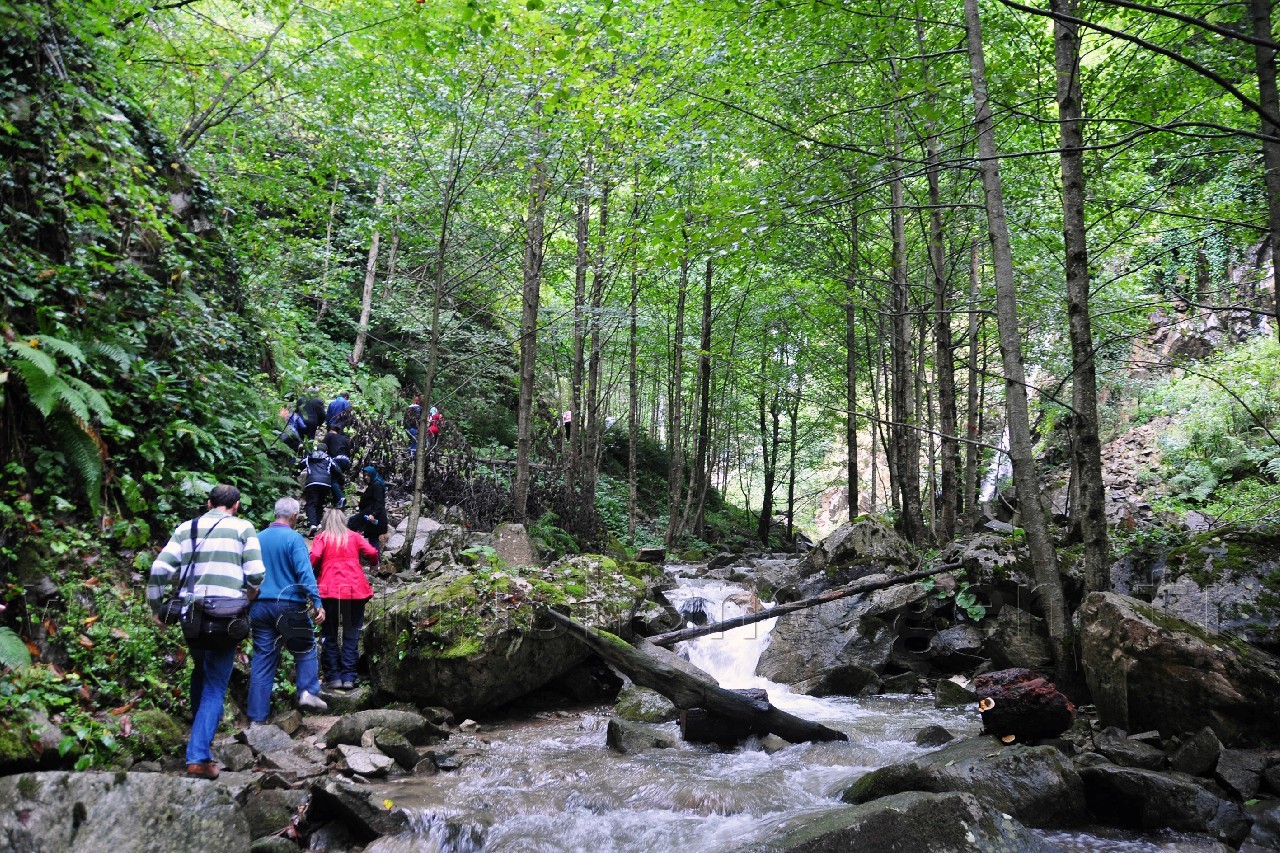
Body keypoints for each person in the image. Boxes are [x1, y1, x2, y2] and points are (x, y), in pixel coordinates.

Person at [148, 484, 264, 780]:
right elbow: (256, 573)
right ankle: (198, 757)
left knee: (201, 669)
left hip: (192, 616)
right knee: (214, 684)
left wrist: (156, 607)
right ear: (236, 505)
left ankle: (200, 738)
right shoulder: (243, 528)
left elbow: (160, 569)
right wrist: (250, 593)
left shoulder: (187, 528)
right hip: (226, 616)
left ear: (209, 503)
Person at [248, 497, 328, 723]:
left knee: (263, 659)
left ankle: (257, 719)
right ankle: (308, 692)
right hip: (289, 605)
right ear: (294, 516)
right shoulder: (294, 539)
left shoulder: (257, 538)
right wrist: (317, 601)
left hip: (260, 606)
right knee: (305, 648)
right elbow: (304, 573)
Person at [311, 508, 377, 690]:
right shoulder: (354, 536)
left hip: (329, 589)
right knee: (351, 634)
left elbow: (315, 556)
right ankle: (349, 677)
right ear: (343, 520)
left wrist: (310, 572)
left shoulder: (322, 537)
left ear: (325, 521)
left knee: (330, 633)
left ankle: (333, 677)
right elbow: (372, 551)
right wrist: (374, 564)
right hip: (354, 589)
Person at [348, 465, 387, 559]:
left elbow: (379, 501)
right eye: (365, 475)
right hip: (371, 514)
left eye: (368, 475)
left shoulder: (377, 485)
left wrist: (373, 514)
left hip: (373, 515)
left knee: (352, 523)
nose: (366, 477)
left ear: (372, 474)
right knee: (373, 537)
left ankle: (352, 551)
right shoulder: (374, 484)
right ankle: (375, 560)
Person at [301, 446, 338, 535]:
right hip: (325, 483)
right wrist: (340, 480)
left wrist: (296, 472)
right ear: (326, 451)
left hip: (312, 482)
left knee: (311, 503)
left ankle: (312, 524)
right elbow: (337, 469)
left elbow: (300, 465)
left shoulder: (309, 457)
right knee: (320, 503)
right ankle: (318, 523)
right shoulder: (328, 458)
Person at [322, 427, 353, 509]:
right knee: (336, 478)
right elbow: (349, 451)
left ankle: (340, 497)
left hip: (336, 460)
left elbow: (322, 447)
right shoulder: (344, 438)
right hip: (346, 460)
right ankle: (337, 500)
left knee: (331, 479)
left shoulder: (329, 436)